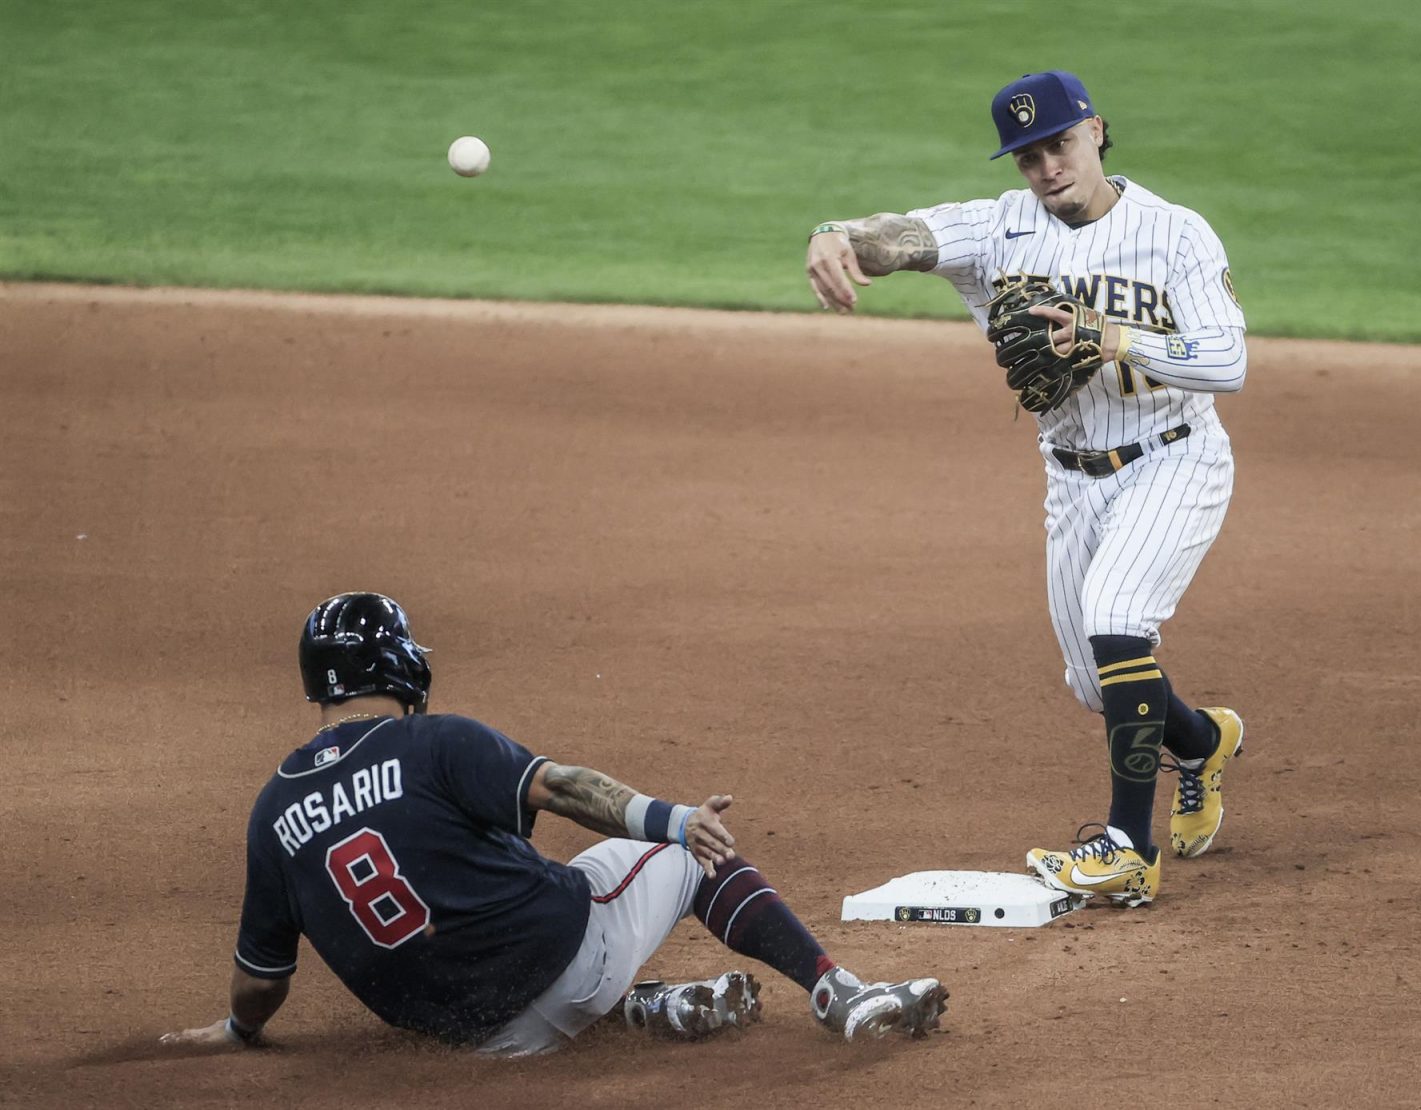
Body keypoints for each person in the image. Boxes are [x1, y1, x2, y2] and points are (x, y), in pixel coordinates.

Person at [804, 70, 1246, 906]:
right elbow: (901, 237)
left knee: (1118, 618)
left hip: (1173, 454)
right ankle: (1200, 742)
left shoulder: (1177, 236)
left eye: (1061, 144)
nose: (1047, 167)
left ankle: (1126, 848)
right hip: (1072, 478)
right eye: (1029, 156)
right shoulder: (1000, 230)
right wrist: (835, 233)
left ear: (1098, 132)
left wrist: (1110, 336)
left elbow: (1228, 364)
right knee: (1100, 683)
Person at [161, 592, 947, 1055]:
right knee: (685, 858)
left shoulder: (275, 811)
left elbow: (261, 983)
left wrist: (236, 1029)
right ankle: (836, 992)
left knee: (491, 888)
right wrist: (671, 819)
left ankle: (654, 1006)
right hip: (564, 966)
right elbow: (563, 788)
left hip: (476, 1042)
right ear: (396, 668)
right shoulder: (432, 740)